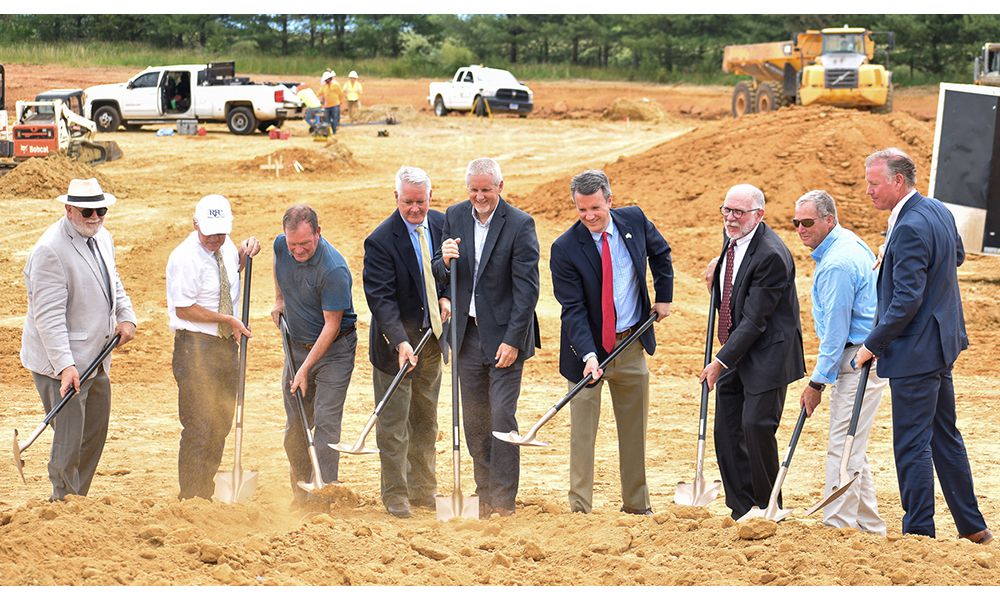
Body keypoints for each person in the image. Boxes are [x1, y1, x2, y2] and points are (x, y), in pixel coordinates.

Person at [855, 148, 992, 544]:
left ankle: (918, 532)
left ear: (898, 182)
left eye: (874, 183)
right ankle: (973, 527)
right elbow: (958, 256)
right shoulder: (936, 210)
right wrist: (894, 254)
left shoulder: (911, 225)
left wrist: (872, 344)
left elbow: (906, 300)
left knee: (912, 445)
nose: (868, 191)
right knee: (944, 436)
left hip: (916, 351)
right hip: (940, 343)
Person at [549, 170, 673, 515]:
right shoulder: (564, 248)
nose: (589, 216)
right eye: (581, 209)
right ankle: (580, 509)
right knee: (583, 434)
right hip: (586, 352)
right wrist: (589, 355)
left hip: (631, 343)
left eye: (595, 208)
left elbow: (661, 254)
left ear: (610, 201)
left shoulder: (634, 219)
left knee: (634, 431)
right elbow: (572, 310)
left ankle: (636, 505)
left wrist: (664, 297)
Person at [432, 157, 540, 518]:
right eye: (474, 190)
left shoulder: (521, 224)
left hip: (505, 338)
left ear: (500, 187)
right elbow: (440, 272)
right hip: (466, 336)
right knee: (475, 419)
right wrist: (444, 263)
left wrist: (512, 340)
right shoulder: (454, 215)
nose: (480, 197)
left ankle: (504, 500)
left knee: (502, 417)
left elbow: (528, 291)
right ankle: (483, 495)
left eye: (486, 190)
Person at [20, 178, 137, 501]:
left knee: (93, 432)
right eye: (88, 211)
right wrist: (65, 367)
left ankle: (76, 500)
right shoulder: (50, 251)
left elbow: (113, 281)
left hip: (97, 355)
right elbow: (48, 317)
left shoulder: (102, 237)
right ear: (69, 210)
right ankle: (61, 501)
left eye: (101, 210)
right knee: (70, 437)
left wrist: (126, 315)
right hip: (61, 364)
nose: (96, 217)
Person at [699, 183, 805, 521]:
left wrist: (719, 362)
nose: (730, 218)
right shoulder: (734, 236)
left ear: (759, 216)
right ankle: (741, 508)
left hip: (767, 353)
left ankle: (769, 506)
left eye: (739, 212)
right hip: (736, 347)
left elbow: (755, 320)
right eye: (726, 210)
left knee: (756, 426)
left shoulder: (772, 255)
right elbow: (736, 265)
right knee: (726, 429)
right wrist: (719, 266)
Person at [793, 189, 887, 534]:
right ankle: (868, 526)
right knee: (854, 443)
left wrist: (817, 382)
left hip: (857, 358)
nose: (801, 229)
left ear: (828, 220)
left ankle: (838, 526)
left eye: (807, 222)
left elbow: (835, 333)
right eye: (796, 223)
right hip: (864, 354)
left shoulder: (836, 264)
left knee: (842, 445)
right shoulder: (846, 241)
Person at [362, 166, 447, 518]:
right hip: (395, 348)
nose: (415, 209)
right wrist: (400, 342)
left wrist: (447, 298)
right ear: (395, 198)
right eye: (408, 202)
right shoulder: (380, 240)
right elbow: (380, 300)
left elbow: (456, 273)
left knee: (425, 420)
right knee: (395, 425)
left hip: (432, 343)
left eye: (421, 202)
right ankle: (395, 493)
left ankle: (423, 489)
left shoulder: (444, 225)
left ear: (430, 197)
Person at [166, 194, 260, 500]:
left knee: (220, 421)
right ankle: (191, 496)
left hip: (223, 348)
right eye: (209, 233)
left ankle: (205, 490)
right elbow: (184, 308)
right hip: (195, 348)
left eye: (222, 233)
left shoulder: (226, 247)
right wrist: (229, 320)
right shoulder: (184, 257)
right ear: (195, 225)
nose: (216, 239)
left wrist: (245, 253)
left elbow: (231, 274)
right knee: (199, 424)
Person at [271, 205, 357, 506]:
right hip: (296, 347)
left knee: (326, 424)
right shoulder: (282, 246)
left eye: (305, 244)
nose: (297, 250)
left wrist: (304, 369)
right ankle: (301, 492)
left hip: (334, 351)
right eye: (293, 244)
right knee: (296, 426)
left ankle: (322, 495)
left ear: (318, 233)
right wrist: (279, 300)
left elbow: (331, 325)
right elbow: (278, 260)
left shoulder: (334, 269)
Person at [318, 70, 344, 136]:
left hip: (335, 105)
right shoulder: (324, 87)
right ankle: (327, 133)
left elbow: (340, 94)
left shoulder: (336, 85)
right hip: (327, 106)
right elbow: (319, 93)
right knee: (327, 120)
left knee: (335, 119)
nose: (326, 81)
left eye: (327, 79)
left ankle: (334, 132)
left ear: (330, 79)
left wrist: (341, 102)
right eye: (325, 80)